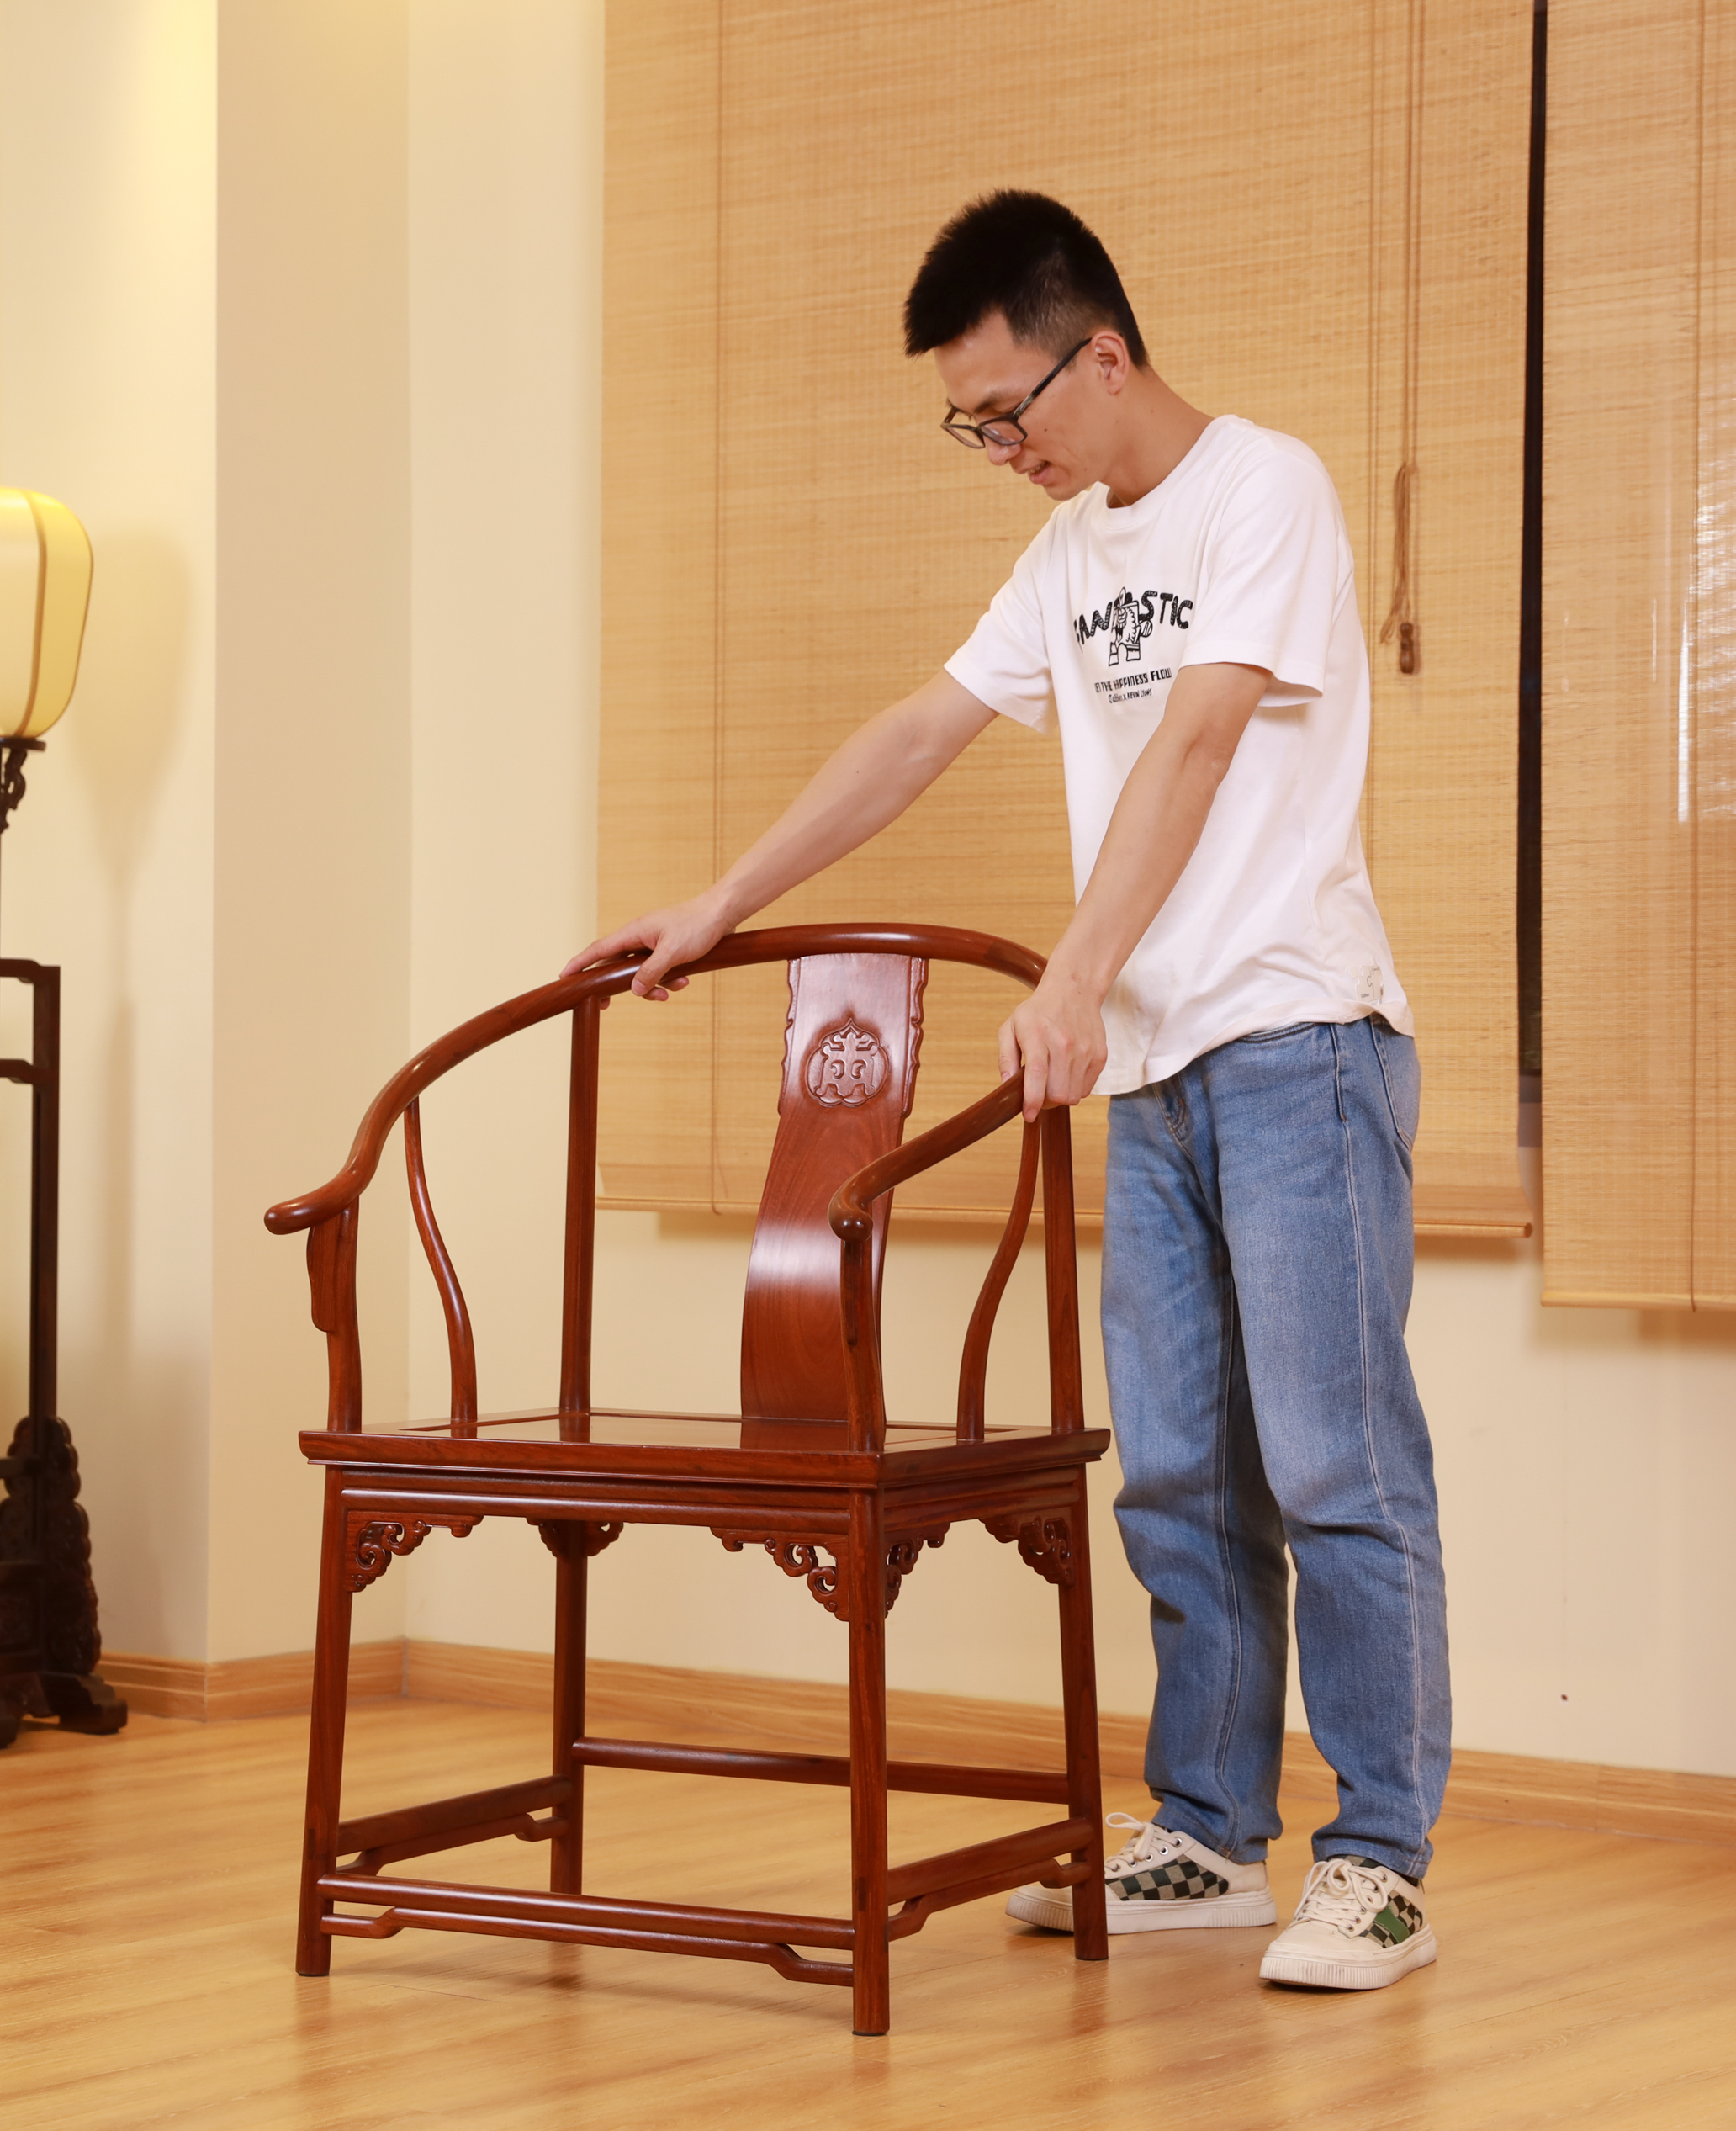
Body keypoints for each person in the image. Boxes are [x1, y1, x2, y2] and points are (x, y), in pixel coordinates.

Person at [568, 190, 1448, 1994]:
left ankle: (1379, 1859)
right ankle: (1208, 1828)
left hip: (1297, 1038)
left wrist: (1071, 976)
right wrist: (722, 900)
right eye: (968, 427)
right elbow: (917, 733)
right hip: (1159, 1072)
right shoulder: (1065, 558)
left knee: (1335, 1463)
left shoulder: (1264, 489)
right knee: (1181, 1474)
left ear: (1098, 354)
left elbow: (1197, 741)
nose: (998, 450)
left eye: (1004, 413)